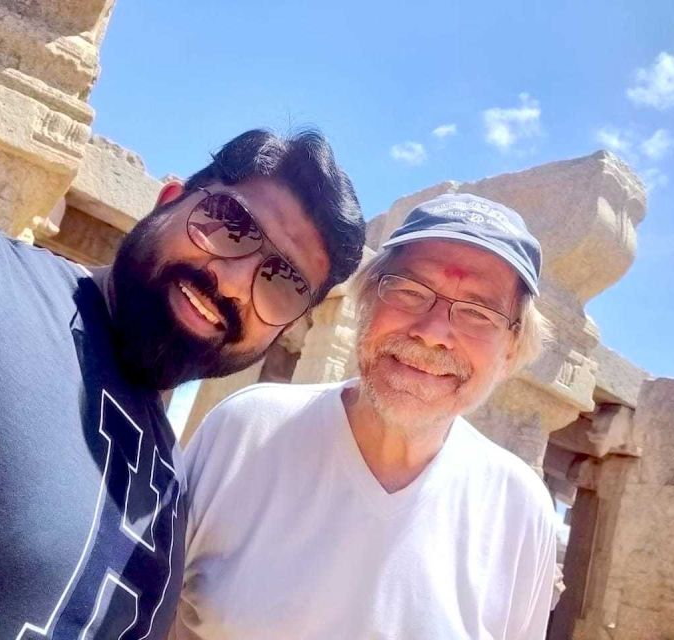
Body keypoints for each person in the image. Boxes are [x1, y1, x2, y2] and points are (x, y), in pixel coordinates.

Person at [0, 129, 365, 639]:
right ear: (167, 201)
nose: (235, 283)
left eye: (283, 283)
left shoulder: (171, 480)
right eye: (231, 225)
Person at [175, 193, 557, 640]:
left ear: (510, 350)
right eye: (410, 292)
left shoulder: (521, 511)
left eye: (477, 313)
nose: (433, 334)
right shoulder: (246, 430)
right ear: (366, 302)